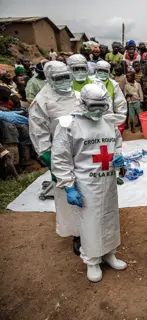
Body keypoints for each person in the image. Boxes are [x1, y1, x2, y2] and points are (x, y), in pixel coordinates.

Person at [51, 84, 127, 283]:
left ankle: (109, 253)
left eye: (102, 106)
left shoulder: (108, 122)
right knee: (91, 221)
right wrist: (68, 186)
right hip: (86, 183)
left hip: (108, 179)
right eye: (94, 106)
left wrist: (118, 157)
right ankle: (92, 260)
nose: (98, 110)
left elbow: (116, 144)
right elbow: (60, 158)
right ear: (83, 103)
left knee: (110, 217)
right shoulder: (69, 125)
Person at [28, 61, 81, 255]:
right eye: (59, 78)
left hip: (83, 154)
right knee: (69, 198)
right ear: (50, 79)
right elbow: (39, 134)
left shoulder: (77, 96)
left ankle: (92, 228)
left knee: (89, 193)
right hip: (60, 157)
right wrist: (52, 162)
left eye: (67, 76)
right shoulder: (42, 102)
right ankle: (77, 235)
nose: (64, 81)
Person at [94, 60, 127, 125]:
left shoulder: (113, 84)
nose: (102, 73)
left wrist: (119, 119)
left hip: (109, 118)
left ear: (109, 72)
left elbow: (120, 103)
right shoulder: (90, 81)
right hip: (92, 118)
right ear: (96, 70)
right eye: (100, 70)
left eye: (105, 71)